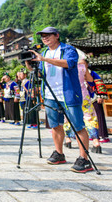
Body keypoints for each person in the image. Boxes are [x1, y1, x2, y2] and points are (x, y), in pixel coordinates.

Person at [30, 26, 93, 173]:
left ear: (57, 35)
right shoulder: (44, 51)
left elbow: (69, 64)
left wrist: (44, 59)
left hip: (68, 93)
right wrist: (32, 65)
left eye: (48, 35)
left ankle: (84, 158)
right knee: (55, 125)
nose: (45, 38)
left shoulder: (68, 49)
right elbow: (42, 73)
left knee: (77, 125)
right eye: (42, 36)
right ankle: (59, 153)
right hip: (50, 94)